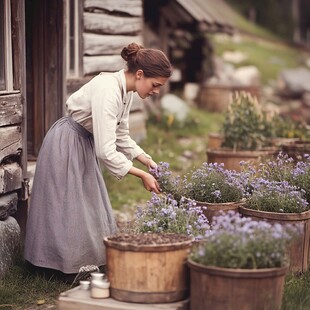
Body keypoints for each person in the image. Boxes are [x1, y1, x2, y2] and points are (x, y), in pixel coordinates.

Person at [24, 42, 173, 280]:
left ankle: (79, 262)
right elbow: (106, 151)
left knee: (87, 204)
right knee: (66, 205)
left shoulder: (126, 92)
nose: (156, 91)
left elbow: (121, 135)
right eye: (155, 85)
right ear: (140, 74)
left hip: (84, 142)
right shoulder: (108, 90)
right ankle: (51, 265)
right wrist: (141, 175)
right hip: (68, 142)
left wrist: (146, 160)